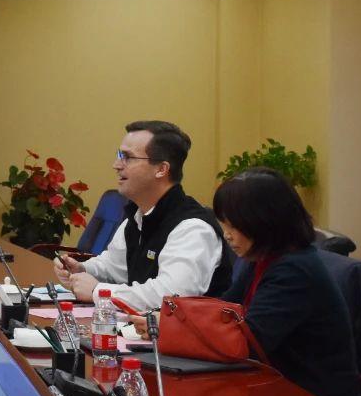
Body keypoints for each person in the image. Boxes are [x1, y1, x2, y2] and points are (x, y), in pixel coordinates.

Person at [209, 168, 361, 396]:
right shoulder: (262, 259)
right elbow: (224, 308)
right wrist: (170, 319)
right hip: (275, 394)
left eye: (234, 226)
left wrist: (180, 329)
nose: (227, 235)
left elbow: (248, 343)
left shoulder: (294, 270)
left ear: (265, 223)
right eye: (224, 224)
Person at [54, 120, 233, 310]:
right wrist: (83, 268)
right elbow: (115, 266)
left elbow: (171, 297)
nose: (116, 165)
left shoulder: (193, 228)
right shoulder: (138, 215)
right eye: (119, 155)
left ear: (161, 169)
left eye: (128, 157)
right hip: (141, 326)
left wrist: (98, 291)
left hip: (189, 329)